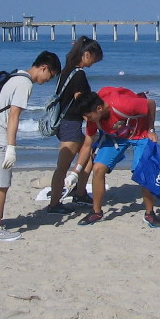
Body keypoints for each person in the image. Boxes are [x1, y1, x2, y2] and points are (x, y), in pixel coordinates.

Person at [0, 51, 61, 241]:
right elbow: (14, 117)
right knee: (2, 184)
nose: (47, 80)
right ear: (44, 68)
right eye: (50, 76)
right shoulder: (24, 84)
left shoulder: (16, 75)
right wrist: (11, 147)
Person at [69, 87, 160, 227]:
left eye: (88, 116)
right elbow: (87, 145)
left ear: (99, 108)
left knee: (142, 171)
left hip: (140, 133)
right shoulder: (94, 117)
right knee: (98, 168)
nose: (87, 120)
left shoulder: (122, 104)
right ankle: (96, 212)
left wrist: (151, 130)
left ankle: (150, 213)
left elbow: (151, 103)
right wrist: (75, 172)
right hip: (118, 137)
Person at [47, 36, 103, 215]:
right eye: (95, 58)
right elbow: (80, 100)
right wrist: (92, 116)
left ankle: (80, 193)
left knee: (88, 158)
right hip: (70, 123)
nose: (94, 63)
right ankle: (54, 204)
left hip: (68, 122)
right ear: (87, 54)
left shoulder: (67, 71)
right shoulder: (78, 74)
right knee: (63, 166)